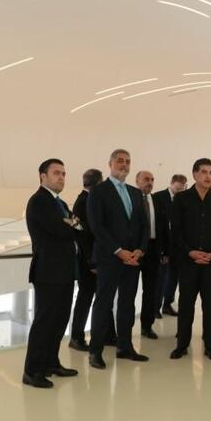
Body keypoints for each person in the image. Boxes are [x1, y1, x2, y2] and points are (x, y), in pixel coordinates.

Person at [86, 149, 150, 370]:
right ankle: (95, 351)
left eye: (127, 161)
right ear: (110, 164)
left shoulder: (135, 192)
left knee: (127, 304)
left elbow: (143, 225)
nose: (124, 164)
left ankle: (125, 347)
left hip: (133, 259)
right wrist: (118, 250)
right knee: (103, 304)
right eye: (120, 161)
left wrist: (140, 250)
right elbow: (97, 226)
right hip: (110, 258)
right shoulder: (98, 191)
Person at [22, 158, 79, 388]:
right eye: (56, 173)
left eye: (64, 173)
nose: (61, 177)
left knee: (60, 319)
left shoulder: (60, 203)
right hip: (48, 271)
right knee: (45, 321)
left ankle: (50, 363)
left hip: (65, 270)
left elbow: (77, 227)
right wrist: (71, 226)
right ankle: (32, 371)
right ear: (43, 176)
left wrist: (71, 225)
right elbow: (62, 230)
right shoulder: (39, 201)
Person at [170, 158, 211, 361]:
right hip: (188, 262)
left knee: (210, 306)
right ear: (195, 174)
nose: (208, 176)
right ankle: (182, 345)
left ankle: (210, 346)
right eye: (204, 172)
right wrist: (190, 252)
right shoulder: (181, 199)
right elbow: (176, 232)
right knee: (186, 305)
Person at [69, 168, 116, 351]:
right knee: (86, 299)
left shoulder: (87, 200)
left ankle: (108, 335)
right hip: (89, 261)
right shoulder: (84, 201)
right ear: (98, 183)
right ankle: (76, 337)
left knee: (103, 297)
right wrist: (92, 261)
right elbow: (83, 236)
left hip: (95, 259)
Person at [135, 170, 169, 340]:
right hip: (134, 251)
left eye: (152, 179)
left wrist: (165, 251)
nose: (150, 182)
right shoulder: (131, 199)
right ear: (137, 181)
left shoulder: (157, 200)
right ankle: (125, 328)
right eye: (146, 179)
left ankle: (147, 326)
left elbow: (164, 227)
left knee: (151, 291)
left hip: (154, 249)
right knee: (129, 291)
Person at [154, 174, 187, 318]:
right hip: (164, 245)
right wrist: (162, 249)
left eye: (182, 189)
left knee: (174, 278)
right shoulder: (158, 197)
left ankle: (167, 304)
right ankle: (155, 307)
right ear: (172, 183)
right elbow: (157, 225)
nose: (179, 191)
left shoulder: (184, 199)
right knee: (161, 279)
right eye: (177, 188)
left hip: (178, 246)